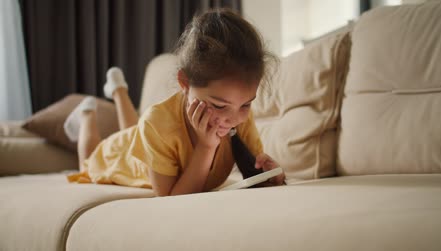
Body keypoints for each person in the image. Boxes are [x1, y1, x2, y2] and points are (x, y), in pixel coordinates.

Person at [65, 9, 286, 196]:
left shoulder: (236, 116)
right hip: (120, 156)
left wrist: (271, 177)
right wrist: (206, 147)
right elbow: (173, 199)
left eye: (246, 104)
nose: (234, 118)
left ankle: (117, 89)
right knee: (88, 160)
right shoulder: (158, 123)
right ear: (185, 82)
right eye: (219, 105)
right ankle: (86, 113)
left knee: (134, 130)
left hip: (143, 137)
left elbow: (256, 175)